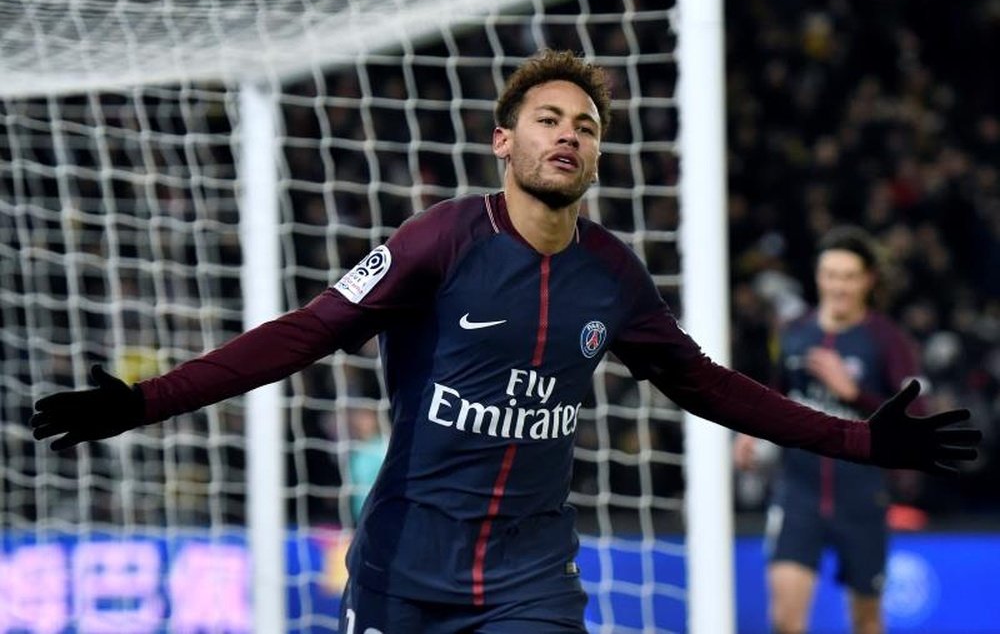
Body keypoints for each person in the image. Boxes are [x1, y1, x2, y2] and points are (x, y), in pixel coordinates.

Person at [32, 50, 980, 634]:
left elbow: (710, 386)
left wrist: (860, 438)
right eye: (549, 120)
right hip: (403, 567)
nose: (569, 135)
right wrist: (143, 400)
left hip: (530, 579)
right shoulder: (438, 240)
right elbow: (305, 333)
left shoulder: (613, 275)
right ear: (504, 142)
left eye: (587, 126)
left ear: (598, 155)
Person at [734, 226, 929, 634]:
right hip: (797, 494)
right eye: (830, 275)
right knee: (786, 620)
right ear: (818, 277)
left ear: (868, 280)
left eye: (849, 276)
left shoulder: (887, 341)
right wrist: (750, 430)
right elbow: (777, 396)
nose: (838, 286)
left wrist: (854, 393)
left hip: (861, 497)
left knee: (867, 621)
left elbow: (917, 420)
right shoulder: (794, 334)